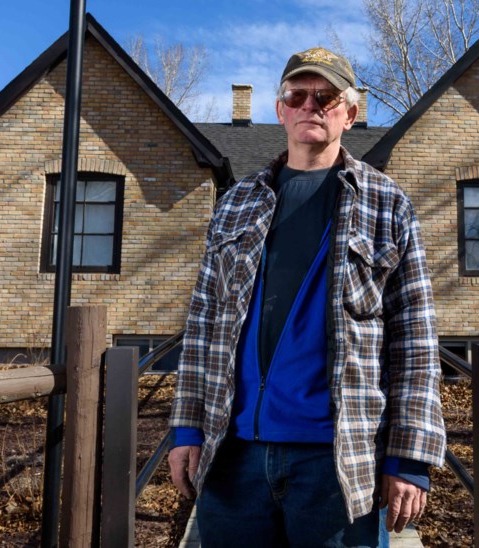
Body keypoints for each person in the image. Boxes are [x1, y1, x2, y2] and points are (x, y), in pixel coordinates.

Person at [168, 47, 445, 547]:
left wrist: (408, 459)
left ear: (350, 113)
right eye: (298, 95)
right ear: (281, 110)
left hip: (336, 464)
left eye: (326, 96)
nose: (311, 105)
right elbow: (204, 325)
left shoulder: (388, 205)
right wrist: (186, 429)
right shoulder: (237, 203)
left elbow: (416, 341)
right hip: (233, 458)